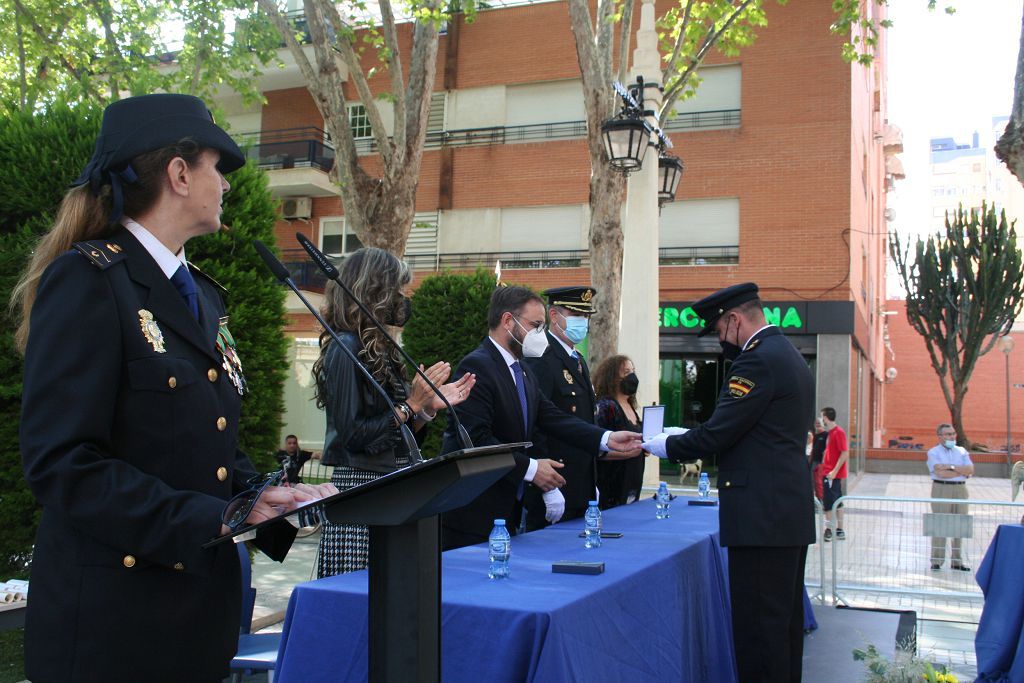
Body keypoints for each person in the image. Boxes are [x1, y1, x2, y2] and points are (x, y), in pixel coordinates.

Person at [13, 94, 336, 682]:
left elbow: (203, 445)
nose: (227, 185)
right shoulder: (90, 280)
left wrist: (256, 497)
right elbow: (62, 462)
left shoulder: (203, 295)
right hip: (115, 630)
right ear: (180, 173)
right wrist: (208, 518)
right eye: (218, 167)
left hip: (195, 620)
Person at [643, 282, 815, 683]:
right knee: (783, 630)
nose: (721, 341)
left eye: (719, 331)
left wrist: (663, 444)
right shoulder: (787, 353)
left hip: (761, 520)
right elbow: (750, 430)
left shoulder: (756, 361)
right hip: (784, 514)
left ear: (734, 320)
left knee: (759, 636)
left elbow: (719, 435)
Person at [440, 286, 644, 550]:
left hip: (506, 512)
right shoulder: (477, 366)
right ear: (507, 321)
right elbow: (477, 440)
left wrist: (606, 438)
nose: (540, 334)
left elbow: (551, 417)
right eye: (536, 325)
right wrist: (533, 470)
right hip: (473, 515)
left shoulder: (522, 369)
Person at [313, 247, 475, 577]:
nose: (402, 299)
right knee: (360, 608)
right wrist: (410, 404)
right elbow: (354, 436)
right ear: (375, 292)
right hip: (362, 495)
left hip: (393, 488)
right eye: (397, 291)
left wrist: (425, 410)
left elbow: (396, 434)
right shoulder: (345, 349)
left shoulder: (381, 350)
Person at [522, 286, 600, 530]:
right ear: (554, 316)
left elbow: (585, 423)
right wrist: (547, 489)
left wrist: (591, 480)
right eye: (577, 315)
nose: (583, 322)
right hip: (555, 481)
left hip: (580, 484)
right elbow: (535, 423)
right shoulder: (541, 357)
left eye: (586, 317)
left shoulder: (577, 359)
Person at [593, 354, 646, 509]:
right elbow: (596, 448)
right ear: (612, 377)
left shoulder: (631, 406)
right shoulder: (606, 406)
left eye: (633, 371)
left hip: (632, 483)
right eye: (626, 372)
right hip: (611, 487)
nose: (632, 376)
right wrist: (627, 452)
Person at [927, 423, 974, 571]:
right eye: (947, 434)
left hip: (960, 489)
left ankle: (956, 561)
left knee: (959, 524)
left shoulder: (961, 451)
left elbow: (970, 469)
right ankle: (937, 560)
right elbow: (940, 473)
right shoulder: (933, 452)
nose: (952, 436)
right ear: (940, 436)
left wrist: (951, 467)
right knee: (940, 522)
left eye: (953, 434)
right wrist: (961, 471)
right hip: (941, 488)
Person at [820, 407, 849, 541]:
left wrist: (834, 471)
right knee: (834, 500)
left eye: (822, 417)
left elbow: (844, 452)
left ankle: (831, 529)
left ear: (826, 418)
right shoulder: (830, 433)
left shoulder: (838, 433)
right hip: (828, 471)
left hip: (832, 474)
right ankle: (837, 529)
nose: (821, 420)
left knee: (831, 502)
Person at [808, 417, 829, 502]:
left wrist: (824, 462)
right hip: (815, 461)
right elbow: (813, 449)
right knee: (814, 481)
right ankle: (817, 501)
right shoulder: (816, 436)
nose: (817, 425)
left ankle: (822, 501)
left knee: (820, 481)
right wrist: (810, 460)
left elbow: (827, 449)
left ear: (823, 424)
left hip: (822, 462)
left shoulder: (826, 435)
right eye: (816, 423)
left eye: (819, 423)